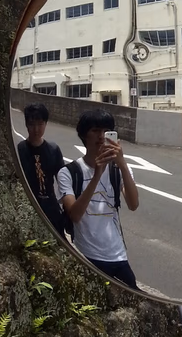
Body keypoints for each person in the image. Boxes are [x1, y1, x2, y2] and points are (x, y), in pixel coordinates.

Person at [56, 108, 140, 289]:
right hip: (86, 255)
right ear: (84, 136)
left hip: (118, 255)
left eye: (106, 131)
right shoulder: (69, 172)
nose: (101, 137)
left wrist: (123, 164)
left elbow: (133, 204)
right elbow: (75, 215)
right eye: (95, 131)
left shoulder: (119, 170)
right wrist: (96, 175)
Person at [17, 102, 67, 236]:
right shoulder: (19, 150)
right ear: (26, 124)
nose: (36, 129)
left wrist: (66, 206)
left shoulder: (53, 149)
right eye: (32, 124)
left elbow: (63, 180)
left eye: (40, 124)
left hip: (50, 206)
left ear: (46, 124)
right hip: (28, 207)